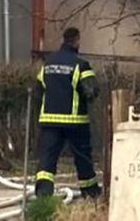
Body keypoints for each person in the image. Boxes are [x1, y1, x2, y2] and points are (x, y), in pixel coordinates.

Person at [34, 27, 102, 198]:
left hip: (49, 121)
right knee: (82, 159)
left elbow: (38, 90)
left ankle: (43, 195)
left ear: (63, 40)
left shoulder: (48, 64)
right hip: (75, 122)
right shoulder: (80, 64)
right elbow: (91, 90)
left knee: (47, 158)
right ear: (77, 40)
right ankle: (91, 193)